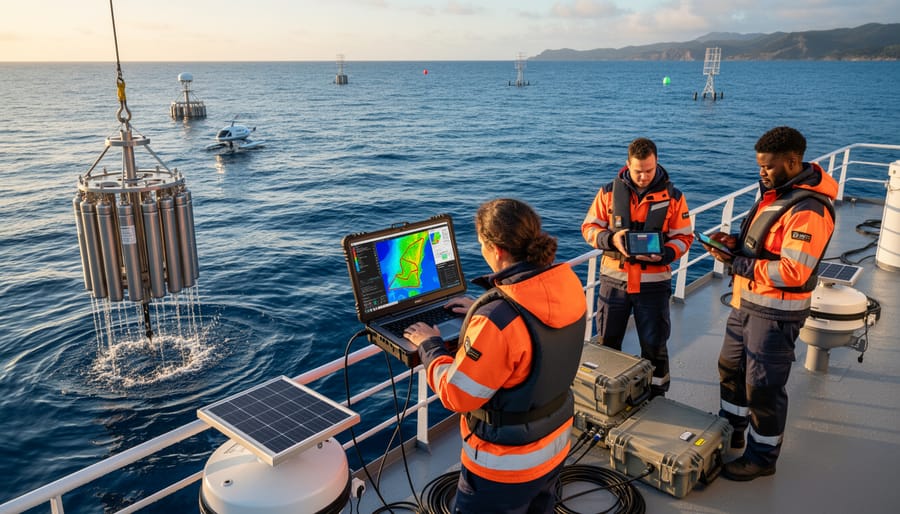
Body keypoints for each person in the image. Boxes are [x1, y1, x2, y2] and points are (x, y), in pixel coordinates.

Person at [404, 198, 586, 514]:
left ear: (496, 250)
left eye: (481, 245)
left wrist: (430, 346)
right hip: (555, 443)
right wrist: (481, 305)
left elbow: (456, 395)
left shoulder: (496, 321)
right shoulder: (567, 282)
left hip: (505, 466)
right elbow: (534, 325)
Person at [700, 126, 837, 481]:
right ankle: (733, 430)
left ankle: (762, 458)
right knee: (730, 368)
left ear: (793, 162)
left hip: (775, 314)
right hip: (746, 303)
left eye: (769, 166)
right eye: (760, 165)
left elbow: (793, 271)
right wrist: (732, 243)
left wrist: (735, 263)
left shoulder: (808, 211)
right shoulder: (774, 194)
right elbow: (760, 245)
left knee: (762, 387)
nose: (761, 172)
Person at [580, 137, 693, 397]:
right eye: (638, 171)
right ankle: (610, 397)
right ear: (627, 165)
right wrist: (610, 239)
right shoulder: (608, 192)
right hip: (614, 283)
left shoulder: (674, 197)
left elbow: (684, 237)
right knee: (608, 343)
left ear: (657, 164)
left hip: (653, 286)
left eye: (649, 170)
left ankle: (657, 396)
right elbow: (588, 228)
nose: (643, 176)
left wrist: (665, 253)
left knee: (654, 345)